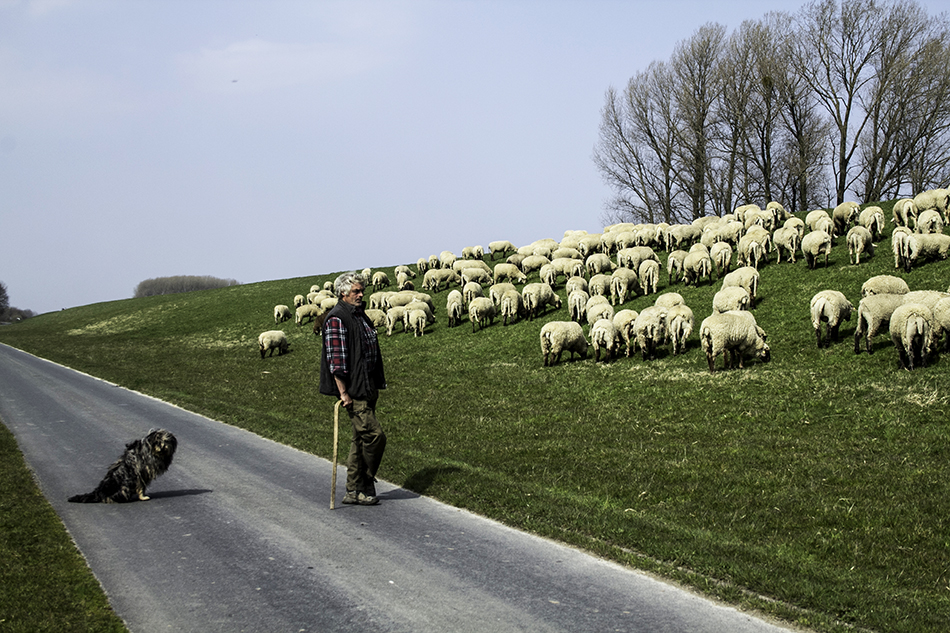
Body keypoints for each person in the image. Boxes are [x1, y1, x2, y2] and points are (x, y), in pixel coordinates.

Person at [319, 272, 387, 506]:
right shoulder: (337, 318)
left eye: (361, 290)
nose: (361, 294)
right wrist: (344, 393)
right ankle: (364, 482)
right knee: (374, 436)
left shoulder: (359, 315)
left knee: (360, 439)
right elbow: (335, 360)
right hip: (354, 390)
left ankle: (352, 491)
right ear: (343, 293)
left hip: (367, 385)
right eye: (356, 291)